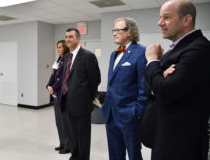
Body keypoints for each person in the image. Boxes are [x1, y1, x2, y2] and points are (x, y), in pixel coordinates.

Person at [142, 0, 210, 160]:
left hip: (180, 143)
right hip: (165, 136)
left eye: (166, 17)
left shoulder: (199, 48)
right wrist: (159, 75)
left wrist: (152, 61)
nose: (160, 23)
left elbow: (164, 90)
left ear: (186, 19)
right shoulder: (178, 49)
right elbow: (151, 87)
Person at [101, 17, 148, 160]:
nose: (114, 33)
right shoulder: (114, 54)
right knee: (114, 153)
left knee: (134, 154)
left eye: (118, 30)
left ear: (129, 32)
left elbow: (144, 87)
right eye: (113, 30)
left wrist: (136, 112)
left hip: (129, 115)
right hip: (111, 114)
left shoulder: (141, 52)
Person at [60, 28, 101, 160]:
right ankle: (75, 155)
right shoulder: (66, 57)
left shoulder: (88, 56)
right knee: (72, 134)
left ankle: (83, 157)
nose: (68, 39)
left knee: (83, 136)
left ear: (78, 39)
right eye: (66, 37)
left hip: (82, 104)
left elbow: (95, 79)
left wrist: (87, 98)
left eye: (71, 37)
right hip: (67, 103)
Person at [46, 40, 70, 154]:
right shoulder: (58, 60)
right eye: (57, 47)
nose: (58, 49)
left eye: (60, 47)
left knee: (65, 122)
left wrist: (53, 87)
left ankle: (68, 145)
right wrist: (48, 85)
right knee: (58, 121)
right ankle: (62, 143)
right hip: (55, 95)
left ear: (65, 48)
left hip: (62, 95)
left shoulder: (67, 59)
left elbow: (63, 78)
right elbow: (53, 74)